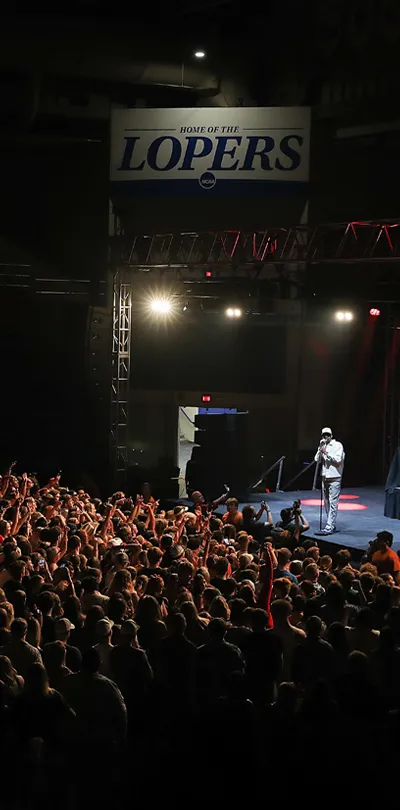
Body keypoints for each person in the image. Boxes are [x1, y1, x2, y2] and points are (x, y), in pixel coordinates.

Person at [314, 427, 345, 535]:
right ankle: (330, 523)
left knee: (333, 502)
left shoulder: (338, 445)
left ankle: (329, 526)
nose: (325, 437)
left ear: (331, 435)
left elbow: (338, 460)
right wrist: (320, 449)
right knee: (326, 502)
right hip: (324, 477)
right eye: (323, 435)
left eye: (327, 435)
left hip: (335, 477)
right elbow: (316, 459)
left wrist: (326, 453)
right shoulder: (323, 446)